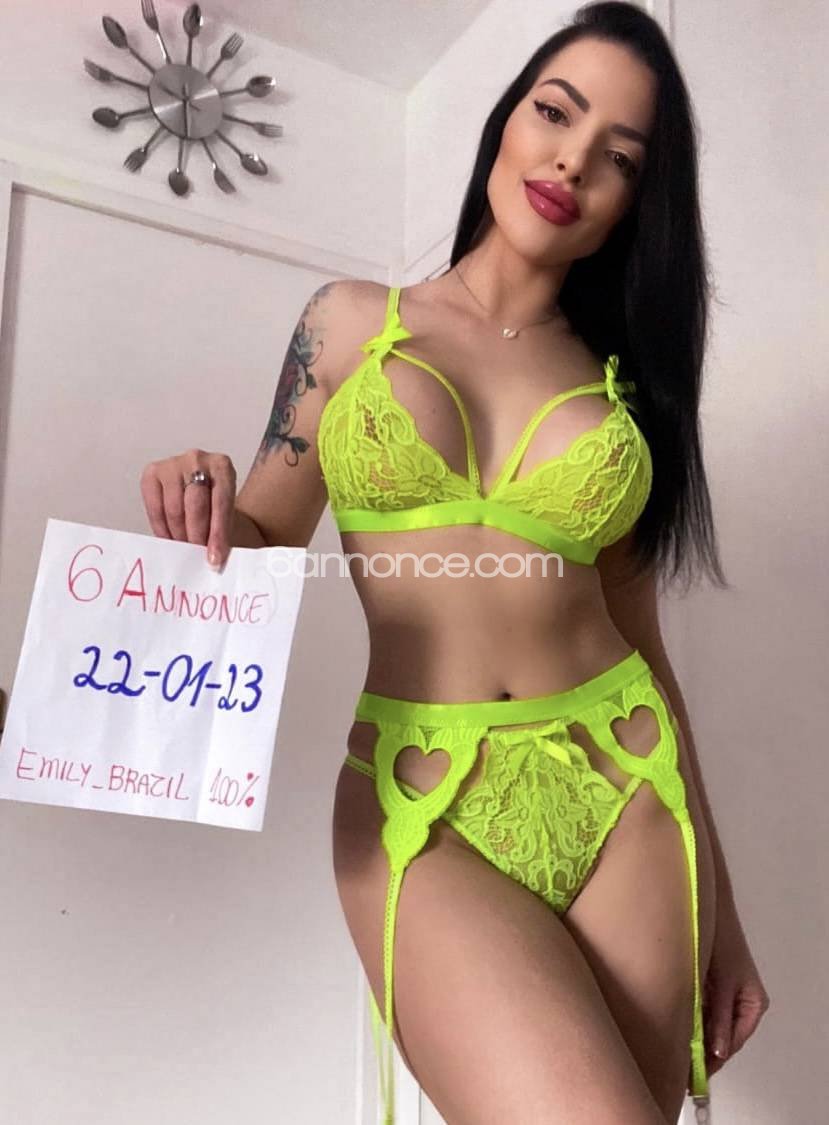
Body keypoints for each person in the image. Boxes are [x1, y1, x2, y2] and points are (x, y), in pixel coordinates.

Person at [140, 3, 770, 1122]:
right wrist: (202, 496)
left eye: (619, 158)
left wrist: (723, 916)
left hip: (629, 790)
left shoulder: (627, 393)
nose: (572, 162)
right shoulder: (347, 323)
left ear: (636, 204)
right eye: (555, 113)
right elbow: (263, 539)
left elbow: (643, 638)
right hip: (419, 800)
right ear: (507, 119)